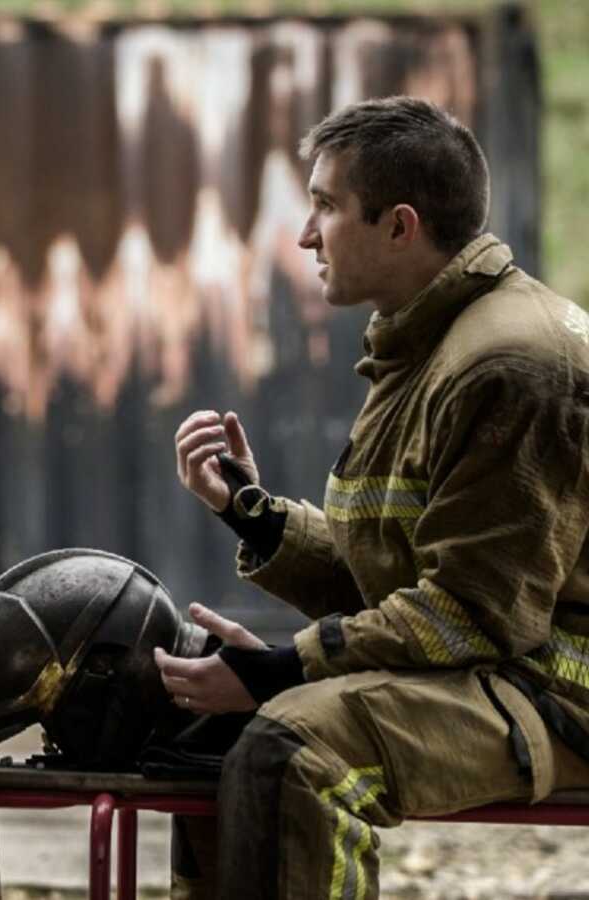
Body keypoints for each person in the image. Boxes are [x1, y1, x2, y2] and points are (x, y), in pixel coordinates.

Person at [159, 95, 589, 899]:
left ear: (400, 225)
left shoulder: (509, 364)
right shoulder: (429, 340)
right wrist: (251, 512)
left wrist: (282, 670)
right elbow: (404, 576)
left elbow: (469, 616)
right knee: (208, 736)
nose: (304, 234)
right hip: (493, 671)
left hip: (557, 698)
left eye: (324, 205)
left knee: (296, 748)